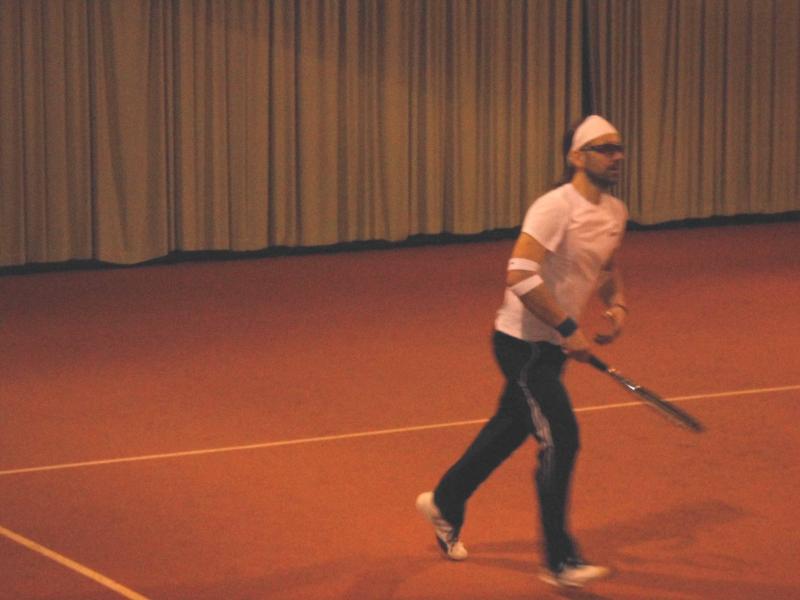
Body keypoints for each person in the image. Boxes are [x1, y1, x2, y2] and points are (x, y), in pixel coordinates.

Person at [416, 115, 629, 588]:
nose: (616, 156)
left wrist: (616, 304)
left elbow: (606, 265)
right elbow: (519, 273)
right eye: (604, 148)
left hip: (552, 349)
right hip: (521, 345)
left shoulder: (616, 211)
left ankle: (445, 501)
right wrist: (568, 327)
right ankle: (560, 561)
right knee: (561, 438)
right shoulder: (554, 207)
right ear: (576, 157)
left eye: (619, 148)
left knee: (510, 429)